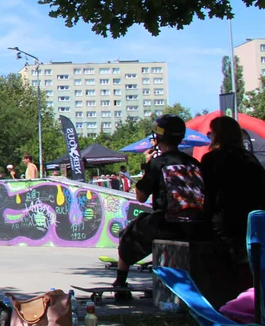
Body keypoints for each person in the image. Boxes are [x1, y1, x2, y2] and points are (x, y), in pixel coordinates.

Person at [113, 115, 207, 297]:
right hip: (199, 225)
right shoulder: (194, 163)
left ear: (157, 139)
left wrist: (147, 165)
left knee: (129, 233)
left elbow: (140, 197)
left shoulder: (158, 163)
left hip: (168, 224)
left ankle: (121, 281)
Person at [201, 115, 265, 293]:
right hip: (250, 221)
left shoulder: (211, 160)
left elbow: (208, 194)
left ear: (218, 136)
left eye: (211, 134)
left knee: (224, 269)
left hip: (223, 221)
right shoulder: (250, 159)